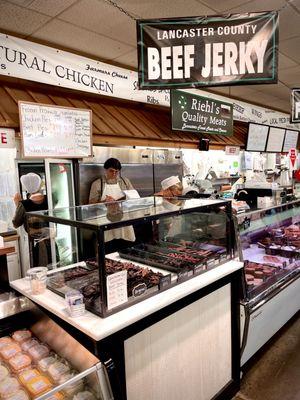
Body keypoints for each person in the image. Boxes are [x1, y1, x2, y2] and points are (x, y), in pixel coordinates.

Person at [12, 173, 52, 267]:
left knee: (39, 273)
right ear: (39, 185)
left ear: (26, 188)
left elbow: (16, 223)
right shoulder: (49, 199)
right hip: (51, 243)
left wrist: (17, 204)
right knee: (53, 270)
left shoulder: (24, 204)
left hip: (35, 246)